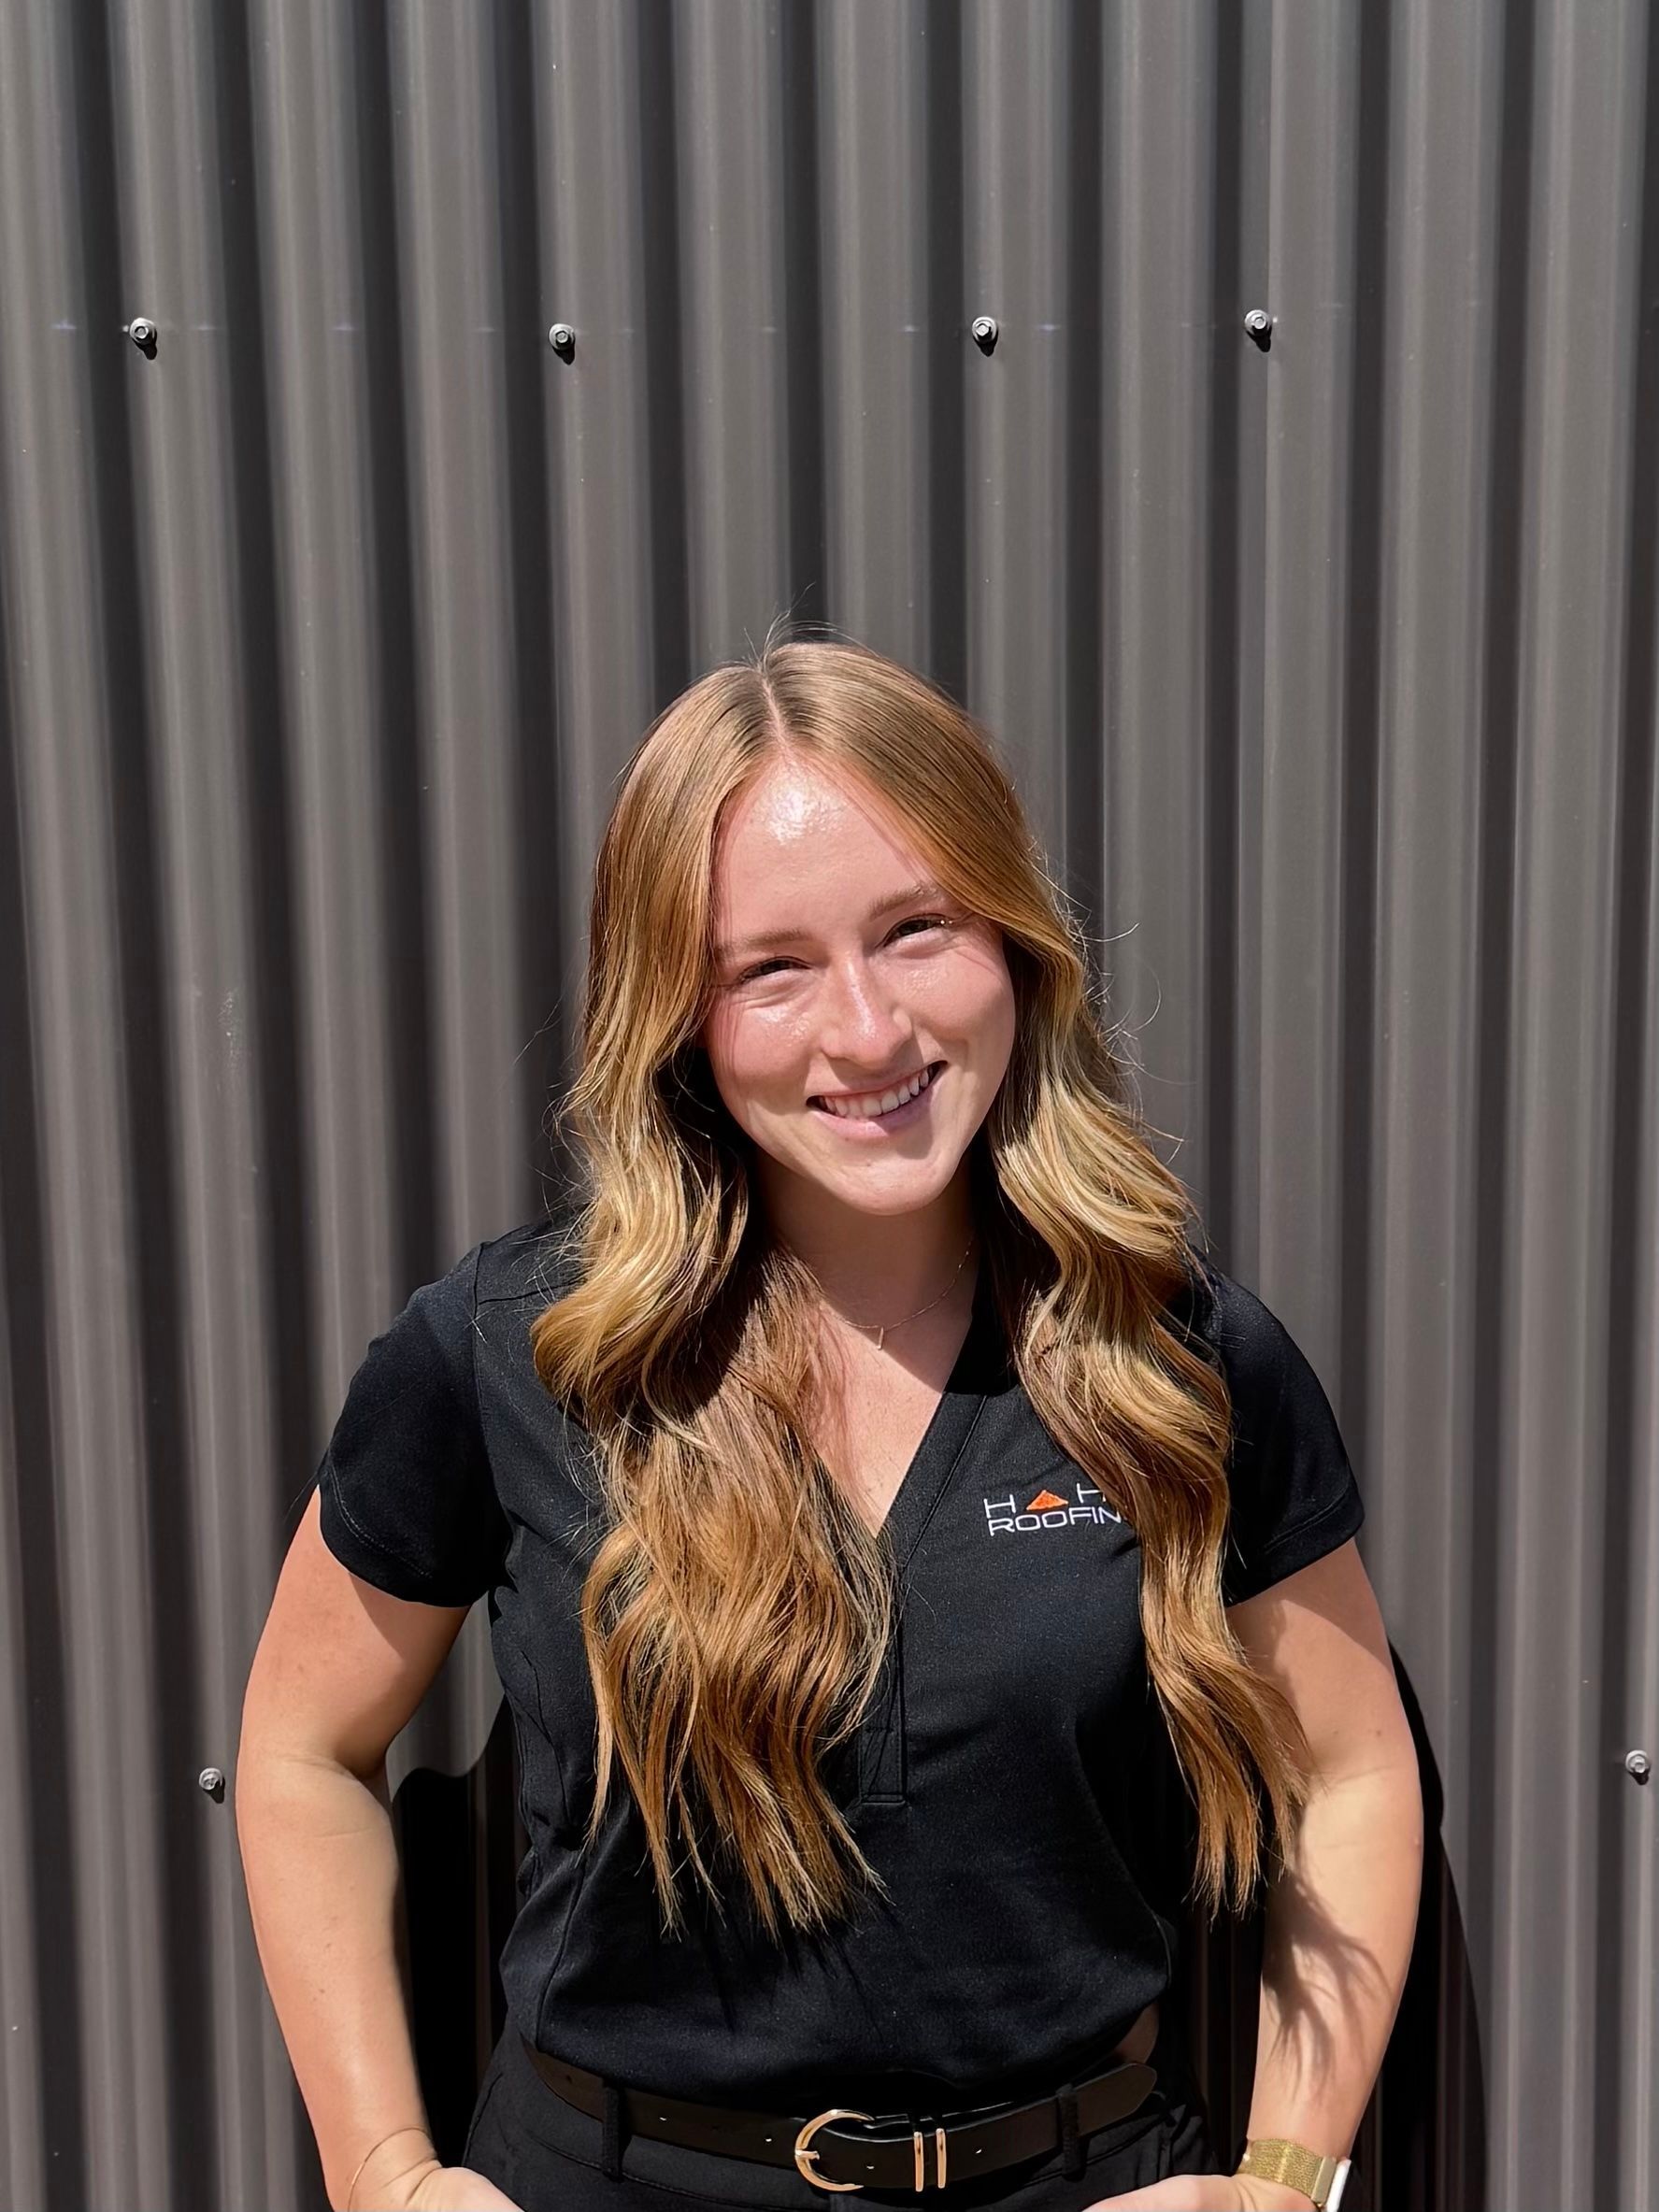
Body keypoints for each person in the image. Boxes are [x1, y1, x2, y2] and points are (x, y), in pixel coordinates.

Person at [237, 629, 1423, 2212]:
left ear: (1011, 939)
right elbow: (301, 1747)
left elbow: (1353, 1774)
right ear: (679, 1012)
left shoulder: (1175, 1359)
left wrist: (1283, 2185)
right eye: (771, 968)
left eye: (917, 929)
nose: (866, 1033)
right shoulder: (516, 1353)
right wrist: (384, 2176)